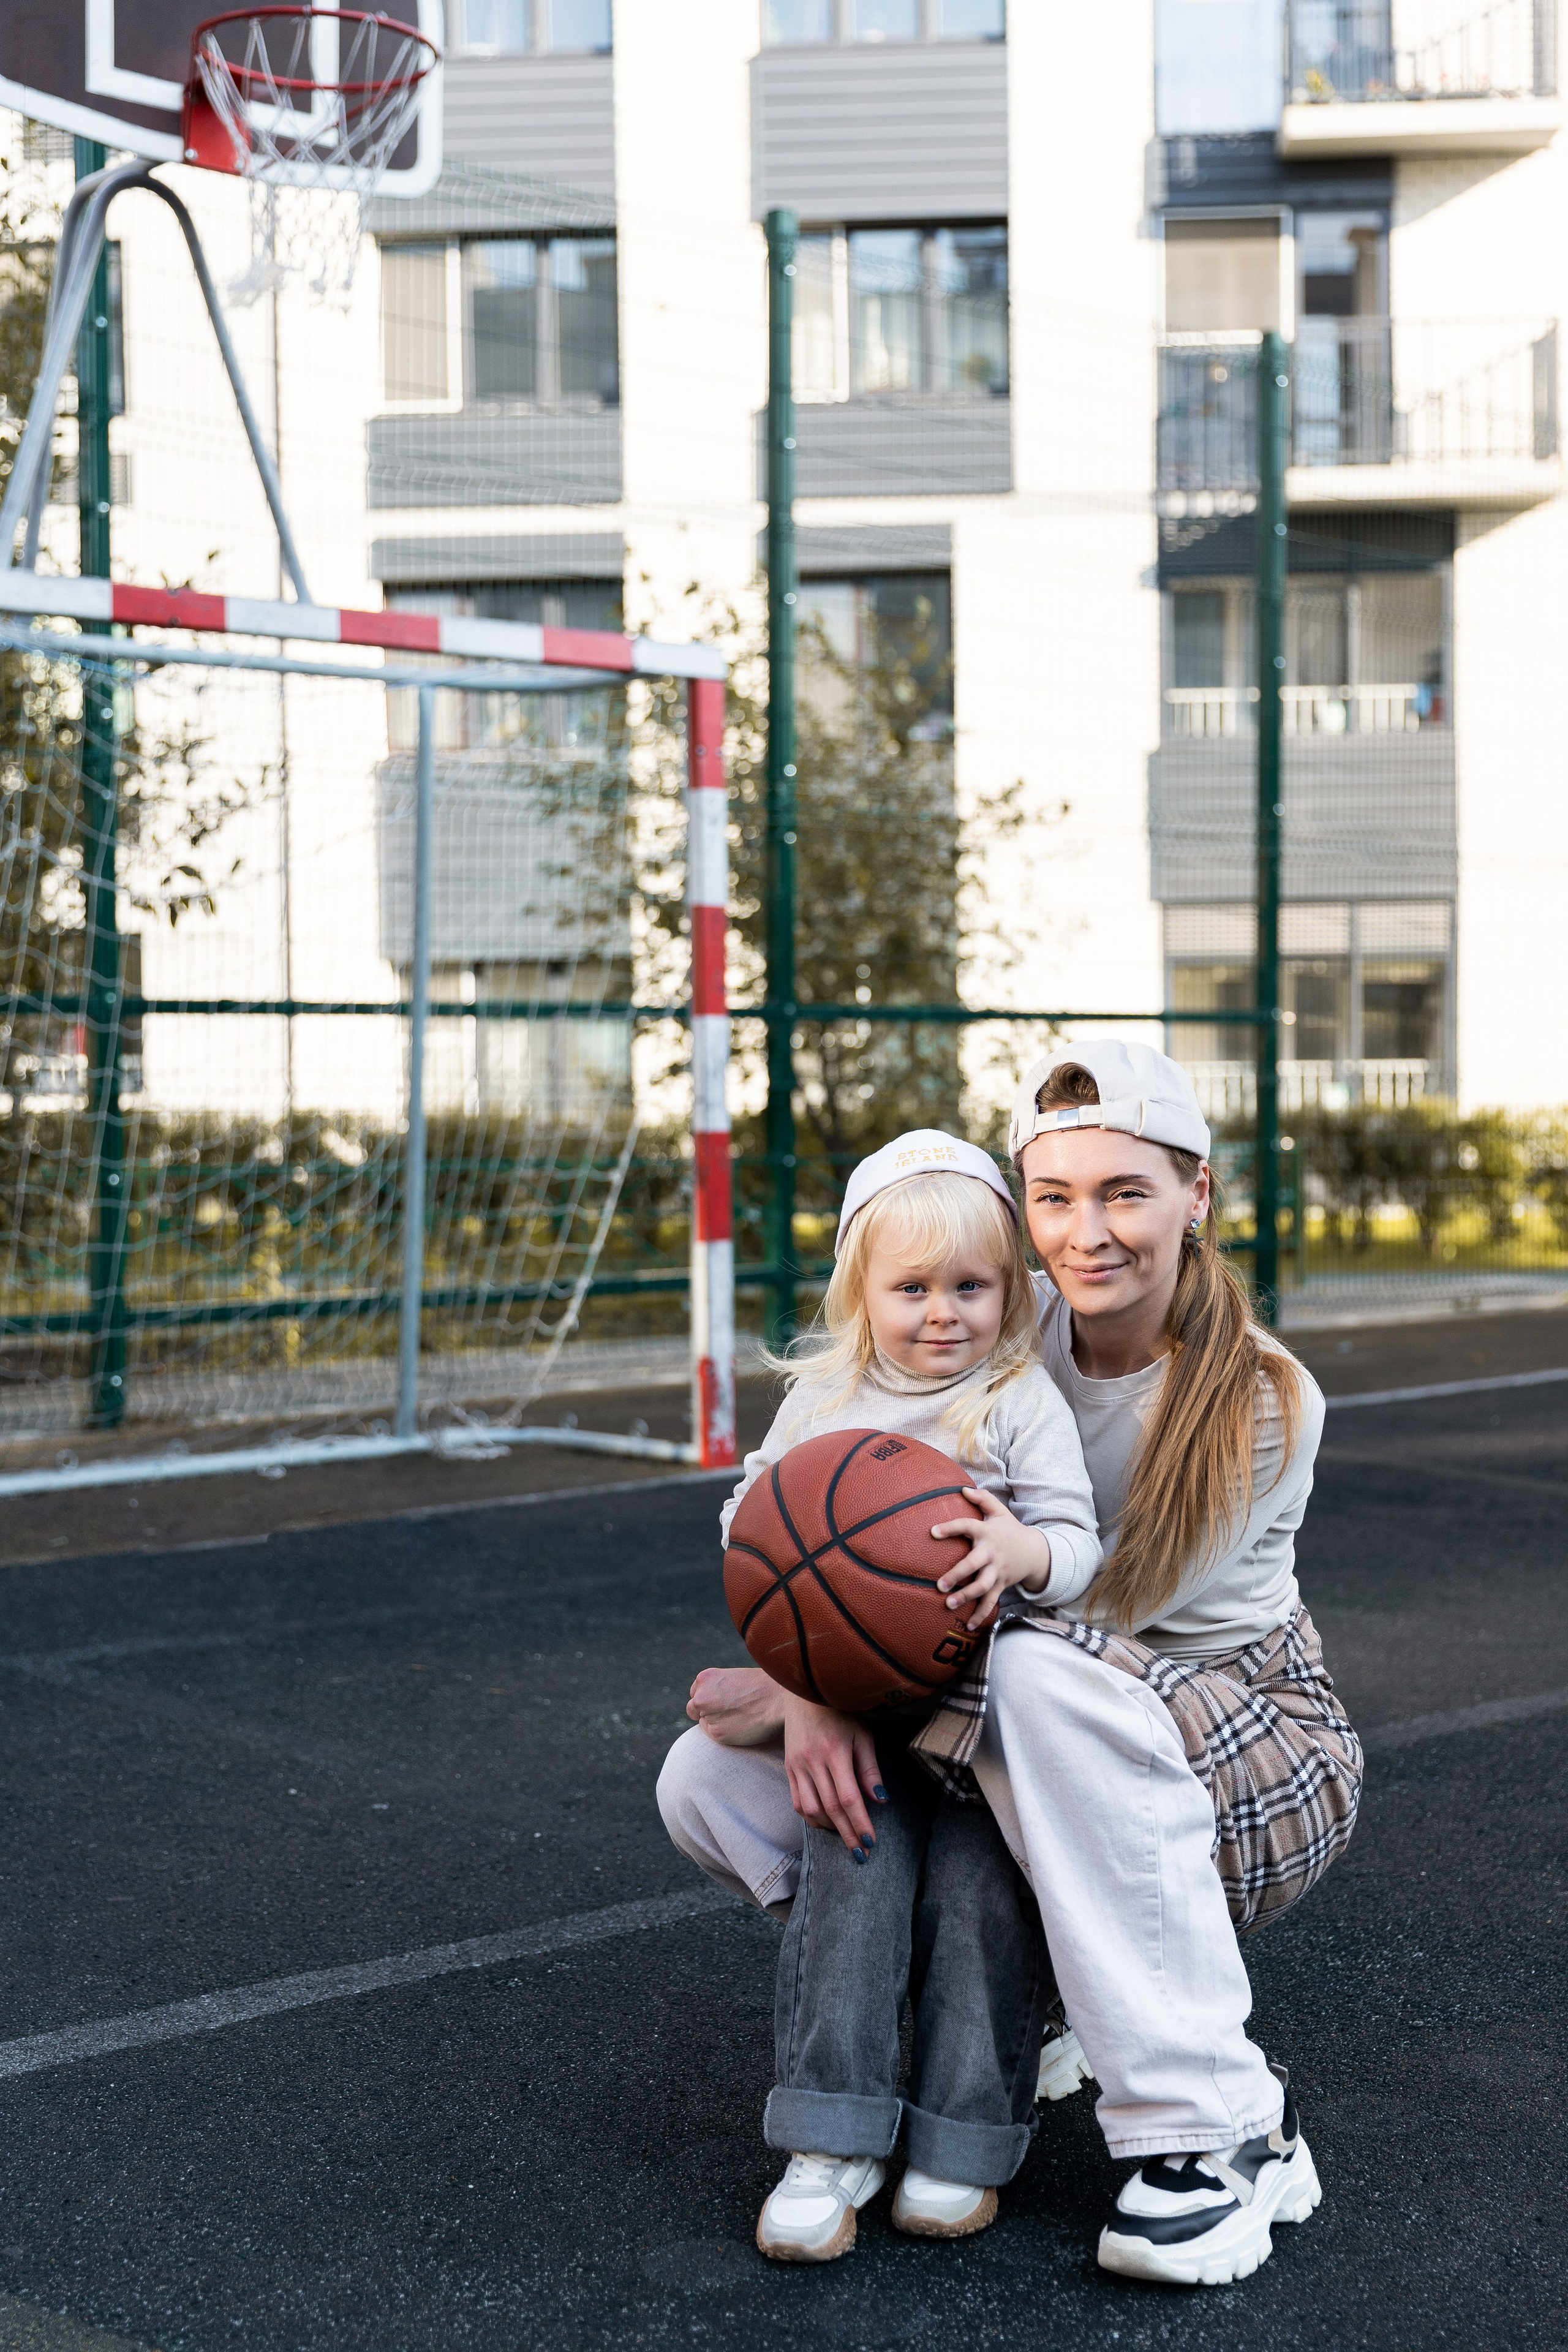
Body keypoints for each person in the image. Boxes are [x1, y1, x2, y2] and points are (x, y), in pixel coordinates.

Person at [660, 1044, 1362, 2290]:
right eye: (1053, 1199)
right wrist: (813, 1692)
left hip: (1238, 1739)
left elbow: (1075, 1624)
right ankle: (969, 2007)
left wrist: (802, 1689)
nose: (1084, 1233)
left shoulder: (1254, 1397)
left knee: (1031, 1688)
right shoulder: (993, 1326)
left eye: (1124, 1194)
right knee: (702, 1778)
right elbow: (819, 1518)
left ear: (1196, 1194)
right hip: (1014, 1716)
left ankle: (1231, 2129)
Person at [660, 1130, 1100, 2261]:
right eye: (913, 1287)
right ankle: (832, 2137)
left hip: (988, 1724)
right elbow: (748, 1528)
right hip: (863, 1707)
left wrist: (1023, 1551)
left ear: (1013, 1294)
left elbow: (1078, 1545)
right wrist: (808, 1664)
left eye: (972, 1286)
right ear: (863, 1288)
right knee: (851, 1869)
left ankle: (964, 2139)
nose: (943, 1312)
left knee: (976, 1889)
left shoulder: (1014, 1403)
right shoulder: (826, 1402)